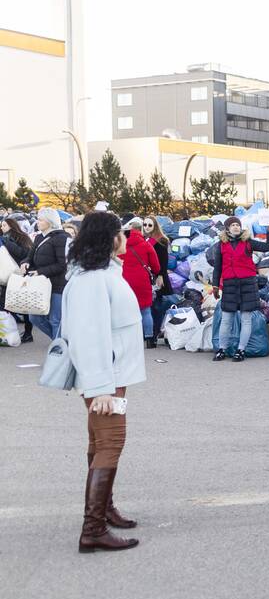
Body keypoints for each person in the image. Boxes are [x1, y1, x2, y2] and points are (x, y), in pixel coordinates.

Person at [63, 211, 146, 553]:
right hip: (105, 378)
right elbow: (89, 336)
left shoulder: (100, 274)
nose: (125, 237)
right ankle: (93, 527)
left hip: (111, 375)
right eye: (120, 233)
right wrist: (100, 388)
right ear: (109, 238)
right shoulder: (92, 280)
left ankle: (104, 510)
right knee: (111, 441)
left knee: (100, 441)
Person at [210, 216, 269, 362]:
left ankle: (241, 350)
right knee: (226, 319)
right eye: (232, 225)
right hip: (229, 283)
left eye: (237, 225)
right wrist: (215, 285)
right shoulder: (221, 245)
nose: (235, 227)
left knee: (246, 319)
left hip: (247, 283)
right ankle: (222, 349)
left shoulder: (248, 242)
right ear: (227, 228)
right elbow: (217, 268)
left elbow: (267, 247)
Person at [21, 207, 68, 340]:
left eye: (40, 220)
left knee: (55, 320)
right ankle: (60, 343)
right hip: (40, 285)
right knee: (34, 317)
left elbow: (62, 264)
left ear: (50, 221)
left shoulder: (62, 238)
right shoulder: (39, 237)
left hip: (58, 285)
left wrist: (40, 271)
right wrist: (25, 263)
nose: (37, 222)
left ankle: (59, 350)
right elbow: (29, 256)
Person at [118, 218, 161, 349]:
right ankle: (149, 338)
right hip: (142, 282)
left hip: (123, 281)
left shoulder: (121, 245)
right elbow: (156, 267)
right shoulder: (146, 245)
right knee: (145, 311)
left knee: (125, 311)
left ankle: (128, 338)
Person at [1, 217, 35, 342]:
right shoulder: (4, 238)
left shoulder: (22, 237)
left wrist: (7, 242)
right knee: (6, 304)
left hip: (20, 274)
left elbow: (24, 253)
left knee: (22, 304)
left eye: (4, 225)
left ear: (11, 225)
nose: (2, 227)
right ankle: (9, 331)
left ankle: (27, 332)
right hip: (7, 275)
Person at [142, 216, 173, 341]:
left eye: (150, 225)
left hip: (158, 276)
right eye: (145, 225)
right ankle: (150, 332)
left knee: (156, 307)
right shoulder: (144, 239)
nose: (147, 227)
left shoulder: (161, 240)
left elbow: (164, 260)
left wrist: (160, 275)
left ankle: (154, 333)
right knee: (149, 306)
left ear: (155, 226)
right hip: (147, 276)